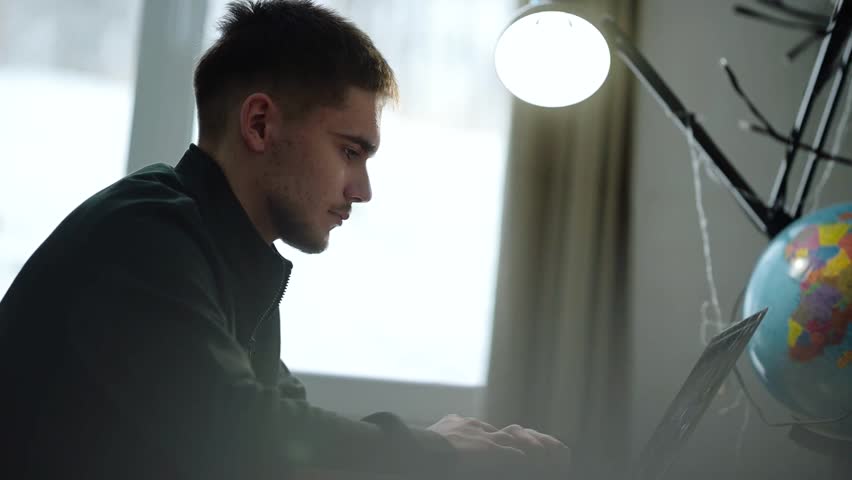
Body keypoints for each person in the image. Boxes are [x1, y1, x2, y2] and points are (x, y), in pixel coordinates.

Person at [0, 1, 570, 479]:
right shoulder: (144, 234)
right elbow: (244, 435)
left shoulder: (228, 259)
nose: (363, 190)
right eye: (350, 151)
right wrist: (433, 447)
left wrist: (436, 447)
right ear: (259, 125)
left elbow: (286, 430)